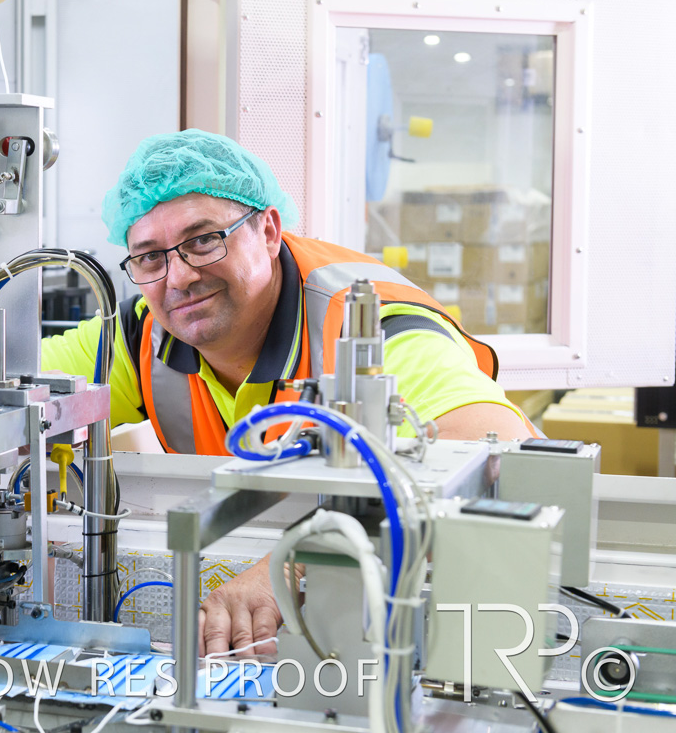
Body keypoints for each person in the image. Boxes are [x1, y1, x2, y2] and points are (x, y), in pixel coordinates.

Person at [40, 129, 534, 657]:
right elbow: (11, 387)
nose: (178, 277)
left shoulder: (368, 325)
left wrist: (293, 564)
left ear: (269, 231)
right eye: (149, 258)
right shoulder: (140, 334)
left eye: (203, 240)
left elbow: (497, 458)